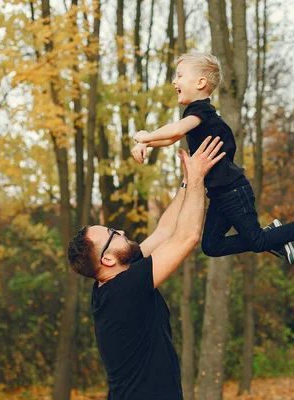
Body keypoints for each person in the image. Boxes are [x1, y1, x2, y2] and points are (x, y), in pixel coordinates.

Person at [131, 52, 294, 265]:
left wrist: (146, 136)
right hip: (219, 195)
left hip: (233, 192)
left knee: (258, 240)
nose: (174, 81)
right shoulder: (198, 115)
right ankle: (274, 235)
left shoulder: (201, 111)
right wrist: (146, 144)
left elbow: (176, 129)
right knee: (211, 246)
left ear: (200, 82)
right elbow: (173, 137)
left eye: (179, 75)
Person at [67, 137, 225, 400]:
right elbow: (186, 238)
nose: (120, 230)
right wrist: (199, 178)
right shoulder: (125, 289)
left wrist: (187, 181)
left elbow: (164, 231)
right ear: (107, 259)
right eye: (112, 234)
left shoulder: (111, 281)